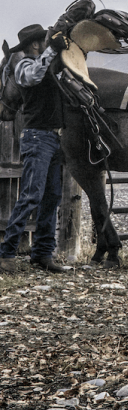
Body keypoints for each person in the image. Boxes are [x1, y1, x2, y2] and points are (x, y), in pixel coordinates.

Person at [0, 24, 70, 274]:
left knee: (51, 197)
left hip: (52, 137)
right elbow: (33, 77)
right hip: (37, 136)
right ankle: (6, 253)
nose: (45, 43)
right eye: (42, 41)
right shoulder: (24, 66)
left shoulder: (48, 65)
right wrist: (52, 51)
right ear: (35, 44)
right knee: (31, 195)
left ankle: (42, 254)